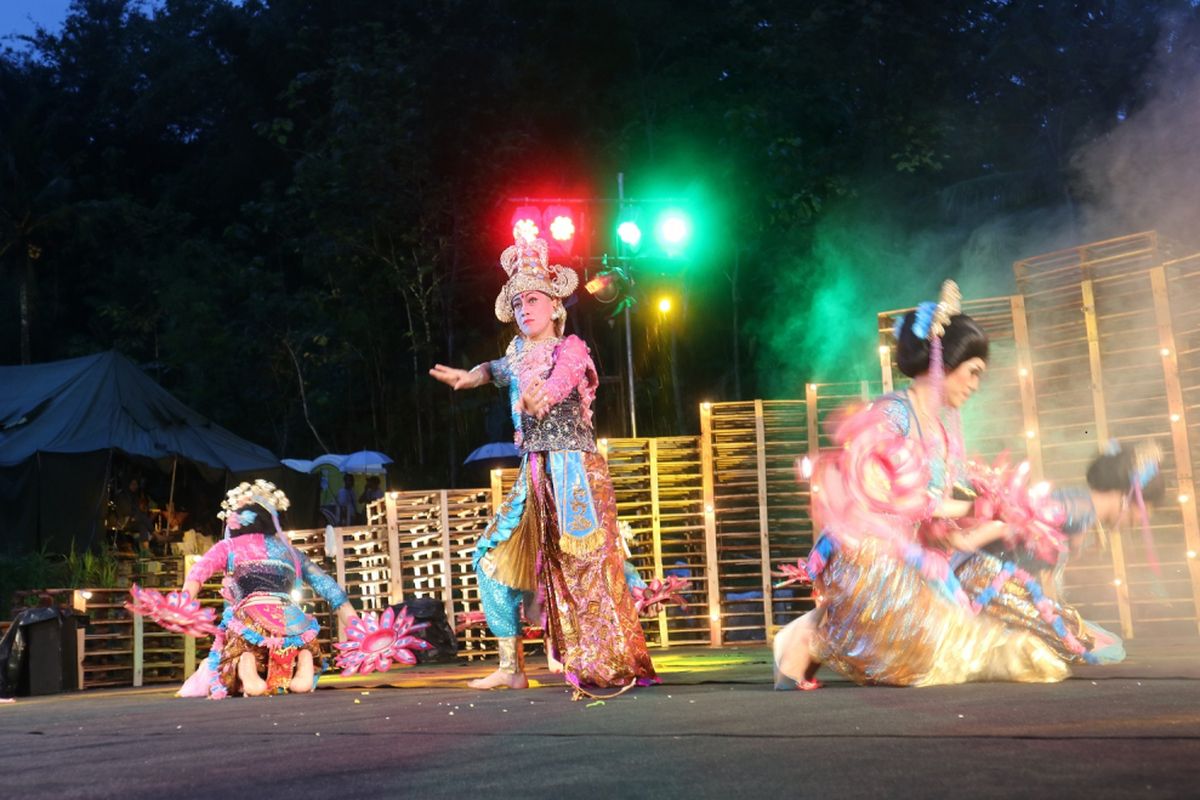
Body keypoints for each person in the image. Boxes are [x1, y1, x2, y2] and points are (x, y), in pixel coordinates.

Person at [774, 281, 1071, 689]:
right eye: (972, 373)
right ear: (942, 362)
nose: (975, 385)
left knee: (990, 592)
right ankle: (810, 637)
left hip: (913, 554)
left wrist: (994, 524)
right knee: (923, 657)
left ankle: (831, 632)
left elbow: (938, 524)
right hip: (869, 553)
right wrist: (974, 510)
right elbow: (890, 504)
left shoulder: (946, 427)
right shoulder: (890, 415)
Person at [429, 223, 657, 698]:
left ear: (555, 305)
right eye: (516, 303)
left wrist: (542, 401)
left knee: (585, 564)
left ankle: (603, 658)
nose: (523, 309)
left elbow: (559, 384)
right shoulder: (514, 352)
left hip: (573, 472)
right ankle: (511, 666)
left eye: (532, 300)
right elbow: (493, 370)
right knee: (489, 558)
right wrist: (466, 378)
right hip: (533, 475)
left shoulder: (570, 348)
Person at [954, 440, 1165, 665]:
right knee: (1079, 642)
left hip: (1001, 581)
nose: (1139, 521)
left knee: (1084, 636)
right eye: (1141, 513)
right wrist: (970, 539)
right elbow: (1013, 521)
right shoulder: (1078, 508)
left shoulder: (1083, 511)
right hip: (986, 582)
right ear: (1127, 498)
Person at [177, 479, 358, 698]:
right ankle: (303, 658)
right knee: (300, 646)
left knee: (236, 649)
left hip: (250, 617)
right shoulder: (289, 551)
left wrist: (184, 602)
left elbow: (199, 571)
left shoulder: (229, 546)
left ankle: (246, 664)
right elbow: (329, 588)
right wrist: (358, 628)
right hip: (292, 619)